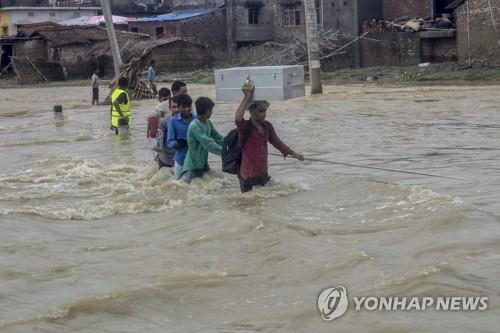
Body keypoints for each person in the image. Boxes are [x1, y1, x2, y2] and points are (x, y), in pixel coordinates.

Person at [235, 82, 304, 193]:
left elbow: (277, 142)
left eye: (265, 111)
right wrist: (246, 97)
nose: (264, 114)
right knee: (250, 205)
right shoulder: (245, 127)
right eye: (260, 111)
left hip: (263, 173)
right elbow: (238, 119)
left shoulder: (267, 126)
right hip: (248, 176)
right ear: (252, 112)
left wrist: (295, 155)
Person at [182, 97, 224, 183]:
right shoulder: (194, 126)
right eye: (211, 110)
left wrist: (231, 145)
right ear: (207, 110)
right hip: (192, 167)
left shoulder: (208, 123)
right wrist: (225, 153)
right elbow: (208, 144)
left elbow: (219, 138)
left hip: (203, 165)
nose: (212, 112)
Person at [167, 94, 195, 179]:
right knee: (179, 184)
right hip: (180, 159)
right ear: (178, 108)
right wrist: (178, 143)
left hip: (195, 159)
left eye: (188, 106)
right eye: (183, 107)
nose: (187, 109)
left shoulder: (196, 119)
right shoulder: (173, 121)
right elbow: (169, 142)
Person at [157, 95, 180, 170]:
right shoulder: (164, 122)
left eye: (178, 106)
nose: (176, 109)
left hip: (180, 158)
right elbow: (158, 142)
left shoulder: (188, 121)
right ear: (169, 108)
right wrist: (157, 156)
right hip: (166, 159)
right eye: (174, 107)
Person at [147, 87, 171, 158]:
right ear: (159, 99)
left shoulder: (169, 106)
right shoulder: (159, 109)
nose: (166, 102)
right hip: (160, 137)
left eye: (167, 99)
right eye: (164, 100)